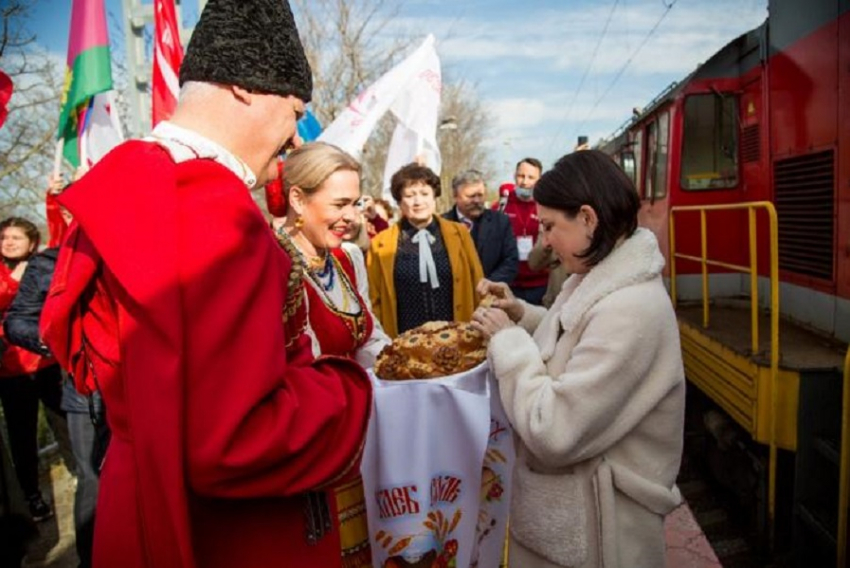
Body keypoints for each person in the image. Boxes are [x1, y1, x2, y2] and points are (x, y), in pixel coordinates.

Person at [39, 1, 372, 567]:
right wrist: (350, 390)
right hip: (228, 533)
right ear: (245, 89)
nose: (294, 140)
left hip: (138, 494)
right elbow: (236, 438)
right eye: (294, 111)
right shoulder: (213, 211)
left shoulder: (116, 185)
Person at [472, 150, 685, 568]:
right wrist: (522, 313)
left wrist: (508, 342)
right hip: (584, 518)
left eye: (551, 226)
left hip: (604, 536)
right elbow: (571, 335)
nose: (545, 241)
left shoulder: (630, 309)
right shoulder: (602, 278)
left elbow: (556, 430)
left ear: (588, 218)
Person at [277, 141, 391, 568]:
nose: (351, 218)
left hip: (359, 434)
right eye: (340, 204)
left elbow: (368, 335)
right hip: (315, 438)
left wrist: (407, 367)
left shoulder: (349, 257)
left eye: (356, 204)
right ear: (297, 199)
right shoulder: (275, 263)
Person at [4, 177, 100, 568]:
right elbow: (18, 322)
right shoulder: (51, 263)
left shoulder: (137, 250)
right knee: (91, 477)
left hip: (138, 387)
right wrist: (61, 339)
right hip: (77, 386)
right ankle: (92, 556)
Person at [0, 217, 71, 523]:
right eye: (4, 238)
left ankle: (83, 473)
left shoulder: (44, 267)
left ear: (31, 242)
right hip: (11, 368)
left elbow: (64, 237)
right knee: (22, 436)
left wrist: (55, 203)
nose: (9, 242)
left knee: (65, 422)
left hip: (47, 362)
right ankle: (32, 496)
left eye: (16, 237)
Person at [367, 163, 483, 338]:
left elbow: (478, 284)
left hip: (457, 336)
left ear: (434, 196)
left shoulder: (459, 234)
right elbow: (374, 300)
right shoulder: (380, 244)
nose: (418, 201)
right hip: (406, 341)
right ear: (399, 201)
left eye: (424, 194)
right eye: (410, 195)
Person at [443, 169, 518, 284]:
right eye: (471, 196)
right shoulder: (442, 225)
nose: (477, 201)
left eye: (480, 195)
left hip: (491, 296)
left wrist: (488, 285)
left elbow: (510, 261)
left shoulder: (500, 222)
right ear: (455, 195)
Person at [496, 157, 549, 305]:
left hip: (541, 284)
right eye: (521, 176)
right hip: (510, 285)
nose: (525, 182)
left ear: (539, 180)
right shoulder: (501, 206)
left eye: (531, 177)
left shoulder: (547, 206)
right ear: (514, 176)